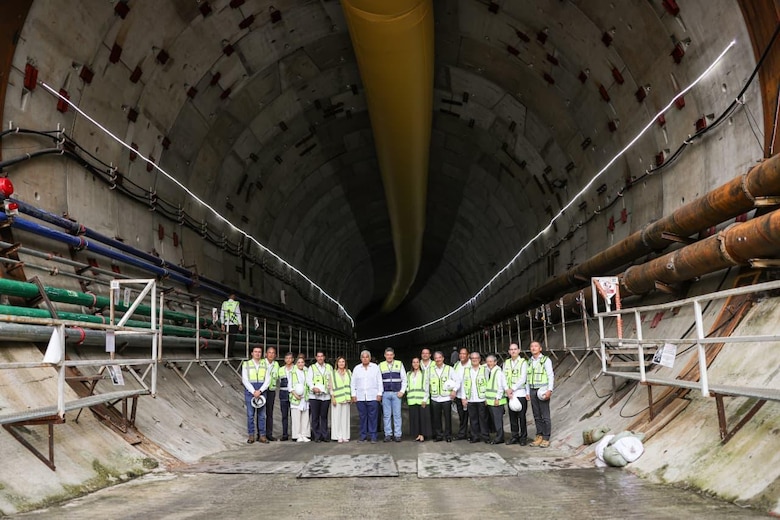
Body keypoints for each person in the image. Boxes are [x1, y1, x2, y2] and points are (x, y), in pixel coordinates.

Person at [351, 350, 383, 443]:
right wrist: (353, 394)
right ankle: (363, 436)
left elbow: (379, 381)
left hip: (373, 396)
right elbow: (353, 383)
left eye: (367, 357)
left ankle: (373, 436)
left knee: (373, 417)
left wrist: (379, 393)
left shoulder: (375, 367)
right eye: (363, 357)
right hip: (360, 396)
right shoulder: (357, 368)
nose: (365, 359)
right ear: (361, 358)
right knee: (362, 417)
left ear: (370, 358)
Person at [527, 341, 554, 448]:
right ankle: (539, 435)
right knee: (537, 415)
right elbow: (527, 378)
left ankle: (546, 438)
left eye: (536, 346)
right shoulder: (529, 361)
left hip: (542, 390)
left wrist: (549, 390)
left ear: (540, 348)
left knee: (545, 415)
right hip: (533, 390)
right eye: (532, 346)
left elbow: (550, 375)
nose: (533, 348)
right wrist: (527, 392)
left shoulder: (545, 360)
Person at [241, 346, 271, 443]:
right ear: (252, 353)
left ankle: (262, 435)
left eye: (259, 352)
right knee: (250, 415)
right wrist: (253, 391)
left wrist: (260, 391)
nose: (257, 353)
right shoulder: (246, 364)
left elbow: (268, 380)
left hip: (262, 391)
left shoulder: (265, 364)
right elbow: (245, 380)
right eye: (255, 352)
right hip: (251, 391)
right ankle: (251, 436)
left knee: (262, 415)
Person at [379, 347, 406, 442]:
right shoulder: (381, 365)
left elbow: (404, 379)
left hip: (396, 393)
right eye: (387, 355)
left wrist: (402, 391)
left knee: (397, 415)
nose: (389, 357)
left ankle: (398, 434)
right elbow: (378, 381)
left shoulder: (399, 364)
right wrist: (380, 393)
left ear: (393, 355)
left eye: (391, 355)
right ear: (385, 355)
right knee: (386, 415)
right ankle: (388, 434)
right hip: (385, 393)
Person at [503, 342, 529, 445]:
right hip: (510, 394)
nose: (513, 351)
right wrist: (507, 390)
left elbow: (523, 378)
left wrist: (512, 388)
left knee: (521, 417)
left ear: (519, 350)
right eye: (511, 349)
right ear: (509, 352)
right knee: (512, 416)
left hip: (520, 393)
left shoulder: (523, 362)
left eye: (515, 349)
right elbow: (503, 377)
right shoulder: (506, 363)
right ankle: (514, 436)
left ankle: (523, 437)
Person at [461, 351, 489, 443]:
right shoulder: (467, 370)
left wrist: (487, 398)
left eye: (476, 358)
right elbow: (464, 385)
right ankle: (475, 436)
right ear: (470, 359)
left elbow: (488, 383)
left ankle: (485, 436)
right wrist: (463, 398)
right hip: (471, 398)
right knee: (473, 419)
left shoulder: (484, 369)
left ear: (479, 359)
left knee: (483, 419)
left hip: (481, 398)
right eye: (472, 358)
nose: (474, 360)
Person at [429, 350, 456, 442]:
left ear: (443, 358)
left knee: (448, 417)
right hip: (435, 397)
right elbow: (426, 384)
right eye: (436, 358)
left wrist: (454, 391)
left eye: (439, 357)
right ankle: (439, 435)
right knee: (436, 418)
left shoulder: (449, 369)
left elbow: (456, 381)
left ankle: (448, 435)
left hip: (446, 397)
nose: (438, 359)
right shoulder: (430, 370)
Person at [307, 350, 334, 442]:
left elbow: (331, 380)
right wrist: (313, 388)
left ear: (324, 357)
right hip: (314, 396)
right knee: (315, 417)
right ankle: (317, 435)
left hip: (325, 396)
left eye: (321, 356)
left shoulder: (329, 367)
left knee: (324, 416)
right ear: (316, 357)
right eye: (318, 356)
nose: (320, 358)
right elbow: (309, 380)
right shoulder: (312, 367)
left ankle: (324, 435)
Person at [406, 357, 430, 442]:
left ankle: (422, 435)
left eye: (417, 362)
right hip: (412, 400)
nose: (415, 364)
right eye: (414, 362)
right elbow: (407, 385)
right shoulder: (409, 374)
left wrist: (425, 399)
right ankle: (418, 434)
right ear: (412, 364)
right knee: (415, 418)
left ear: (419, 363)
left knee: (423, 418)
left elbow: (427, 387)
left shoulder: (424, 373)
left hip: (422, 400)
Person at [485, 354, 506, 444]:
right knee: (494, 420)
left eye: (491, 361)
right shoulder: (489, 371)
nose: (489, 363)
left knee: (498, 420)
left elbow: (501, 386)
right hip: (490, 400)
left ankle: (500, 437)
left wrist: (497, 398)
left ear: (495, 362)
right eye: (488, 361)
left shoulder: (498, 372)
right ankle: (498, 436)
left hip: (497, 401)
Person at [330, 356, 352, 443]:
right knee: (337, 418)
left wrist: (351, 396)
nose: (341, 363)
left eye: (343, 362)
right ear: (337, 363)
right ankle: (338, 436)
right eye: (340, 362)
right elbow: (330, 387)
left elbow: (352, 385)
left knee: (345, 418)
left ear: (345, 363)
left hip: (346, 398)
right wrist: (333, 398)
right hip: (337, 398)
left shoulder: (349, 372)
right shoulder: (333, 373)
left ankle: (345, 435)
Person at [288, 356, 310, 442]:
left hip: (304, 397)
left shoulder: (306, 372)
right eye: (299, 362)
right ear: (296, 364)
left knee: (305, 417)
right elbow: (289, 386)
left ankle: (304, 434)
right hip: (296, 397)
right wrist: (295, 394)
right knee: (296, 417)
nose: (301, 364)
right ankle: (297, 435)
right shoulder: (292, 372)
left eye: (302, 362)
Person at [452, 347, 470, 440]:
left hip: (470, 396)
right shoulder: (456, 365)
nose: (462, 355)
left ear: (468, 355)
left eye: (464, 354)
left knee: (472, 416)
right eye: (461, 354)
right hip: (459, 395)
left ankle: (474, 434)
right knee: (462, 416)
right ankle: (462, 433)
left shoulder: (472, 364)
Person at [262, 346, 280, 441]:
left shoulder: (276, 364)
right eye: (269, 352)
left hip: (271, 390)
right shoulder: (261, 363)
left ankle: (269, 433)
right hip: (262, 390)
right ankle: (261, 433)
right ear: (266, 354)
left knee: (269, 412)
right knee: (261, 412)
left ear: (275, 355)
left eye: (273, 353)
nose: (271, 354)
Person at [277, 352, 295, 441]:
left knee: (294, 415)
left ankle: (294, 433)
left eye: (290, 358)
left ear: (293, 359)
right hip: (283, 394)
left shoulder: (296, 368)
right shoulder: (280, 369)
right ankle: (285, 434)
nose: (288, 360)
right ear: (284, 360)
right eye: (287, 358)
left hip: (294, 394)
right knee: (284, 415)